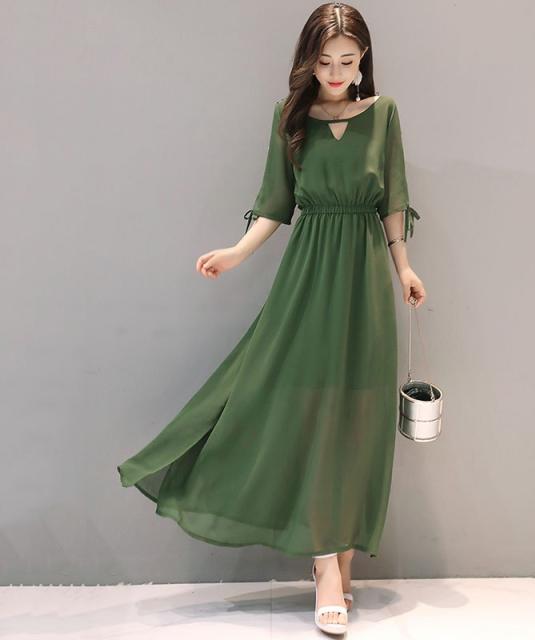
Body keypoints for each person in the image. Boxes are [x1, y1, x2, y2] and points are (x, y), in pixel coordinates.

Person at [117, 2, 426, 634]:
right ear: (307, 61)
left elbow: (393, 201)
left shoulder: (384, 114)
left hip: (366, 282)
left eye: (347, 60)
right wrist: (236, 252)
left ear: (363, 59)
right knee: (310, 413)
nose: (335, 72)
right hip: (308, 279)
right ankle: (327, 568)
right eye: (324, 60)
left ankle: (338, 557)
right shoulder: (291, 119)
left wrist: (405, 269)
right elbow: (275, 204)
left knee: (357, 418)